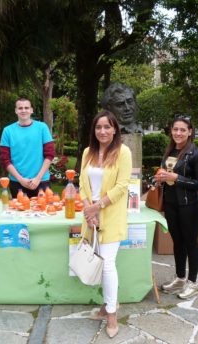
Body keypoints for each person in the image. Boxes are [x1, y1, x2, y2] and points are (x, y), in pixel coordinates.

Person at [80, 110, 132, 339]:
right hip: (91, 219)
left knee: (108, 264)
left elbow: (122, 187)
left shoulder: (123, 152)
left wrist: (97, 206)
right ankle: (106, 306)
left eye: (107, 127)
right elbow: (82, 183)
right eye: (98, 127)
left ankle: (111, 314)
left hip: (110, 217)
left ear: (115, 130)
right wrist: (88, 209)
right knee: (100, 264)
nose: (102, 131)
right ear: (94, 130)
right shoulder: (87, 152)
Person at [156, 115, 198, 299]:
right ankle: (180, 278)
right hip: (171, 203)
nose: (178, 133)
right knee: (177, 242)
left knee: (191, 243)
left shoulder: (196, 153)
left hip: (188, 205)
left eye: (182, 130)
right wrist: (160, 177)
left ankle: (192, 282)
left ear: (190, 132)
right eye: (175, 129)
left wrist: (177, 178)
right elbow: (167, 174)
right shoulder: (170, 149)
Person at [0, 98, 55, 197]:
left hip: (41, 181)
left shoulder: (42, 128)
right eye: (20, 108)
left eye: (26, 108)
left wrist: (38, 178)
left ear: (31, 110)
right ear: (16, 111)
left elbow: (50, 155)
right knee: (18, 211)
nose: (23, 110)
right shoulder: (7, 131)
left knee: (44, 211)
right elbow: (5, 159)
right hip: (17, 182)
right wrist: (20, 179)